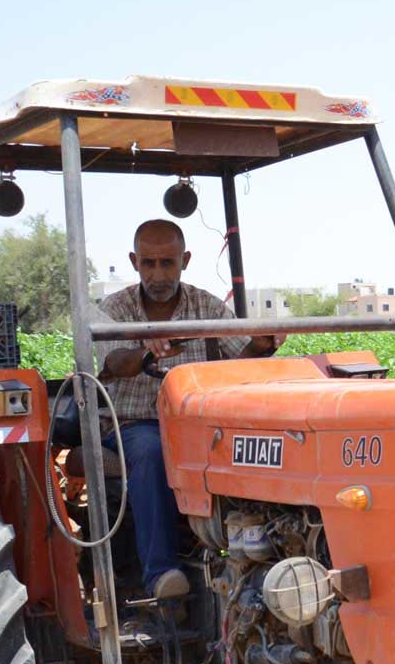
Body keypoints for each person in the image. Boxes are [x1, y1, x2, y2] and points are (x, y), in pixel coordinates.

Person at [95, 218, 281, 598]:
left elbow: (238, 366)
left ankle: (258, 559)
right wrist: (146, 350)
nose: (158, 274)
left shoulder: (207, 308)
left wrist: (261, 346)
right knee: (151, 450)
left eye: (167, 263)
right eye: (149, 263)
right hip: (131, 425)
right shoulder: (113, 310)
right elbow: (112, 363)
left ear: (185, 260)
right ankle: (162, 576)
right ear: (134, 261)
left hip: (197, 428)